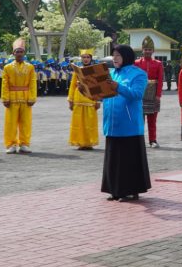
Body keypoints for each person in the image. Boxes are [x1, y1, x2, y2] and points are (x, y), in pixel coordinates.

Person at [101, 44, 150, 202]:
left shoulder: (139, 74)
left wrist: (118, 87)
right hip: (112, 124)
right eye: (113, 55)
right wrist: (86, 90)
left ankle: (131, 190)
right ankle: (115, 190)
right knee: (113, 159)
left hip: (129, 125)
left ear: (127, 57)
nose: (114, 58)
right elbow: (103, 96)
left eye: (118, 55)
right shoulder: (110, 74)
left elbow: (137, 94)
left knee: (128, 160)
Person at [1, 38, 37, 154]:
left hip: (26, 98)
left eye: (21, 51)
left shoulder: (30, 67)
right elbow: (5, 84)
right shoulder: (7, 67)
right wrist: (5, 98)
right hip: (12, 98)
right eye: (17, 51)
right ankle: (11, 144)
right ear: (13, 53)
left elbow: (32, 83)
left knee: (26, 122)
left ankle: (24, 143)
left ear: (24, 53)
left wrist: (32, 97)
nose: (19, 54)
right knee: (10, 123)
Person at [134, 37, 164, 147]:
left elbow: (160, 80)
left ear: (153, 50)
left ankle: (153, 140)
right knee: (139, 119)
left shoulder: (158, 63)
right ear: (142, 50)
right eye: (146, 49)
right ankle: (139, 140)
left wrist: (158, 95)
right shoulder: (136, 63)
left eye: (149, 49)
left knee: (152, 119)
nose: (147, 51)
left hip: (153, 93)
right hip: (140, 93)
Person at [67, 49, 100, 150]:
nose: (86, 59)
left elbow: (97, 86)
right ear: (81, 58)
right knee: (79, 123)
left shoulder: (94, 70)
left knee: (89, 123)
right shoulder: (77, 70)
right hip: (78, 99)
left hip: (90, 100)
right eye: (84, 57)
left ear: (91, 58)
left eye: (88, 57)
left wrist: (98, 100)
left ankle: (89, 143)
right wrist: (70, 100)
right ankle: (80, 142)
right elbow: (72, 86)